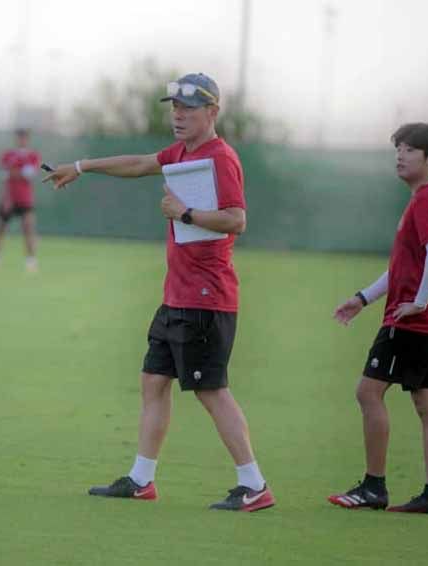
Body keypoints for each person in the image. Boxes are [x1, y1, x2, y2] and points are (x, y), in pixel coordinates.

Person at [43, 73, 274, 512]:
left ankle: (255, 484)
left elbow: (236, 219)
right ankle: (141, 479)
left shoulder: (220, 158)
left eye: (189, 107)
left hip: (207, 297)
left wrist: (184, 212)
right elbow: (140, 164)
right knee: (153, 382)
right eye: (175, 107)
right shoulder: (182, 152)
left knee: (212, 391)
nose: (179, 115)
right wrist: (82, 166)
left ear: (212, 112)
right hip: (177, 297)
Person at [328, 123, 428, 515]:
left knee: (368, 392)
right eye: (397, 149)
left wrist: (419, 301)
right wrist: (363, 298)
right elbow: (405, 267)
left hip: (413, 321)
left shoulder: (426, 201)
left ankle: (373, 487)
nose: (399, 156)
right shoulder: (426, 199)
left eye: (409, 150)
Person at [0, 128, 41, 272]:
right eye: (19, 137)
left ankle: (31, 262)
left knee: (28, 228)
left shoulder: (33, 156)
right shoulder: (7, 155)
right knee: (0, 229)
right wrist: (17, 172)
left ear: (28, 139)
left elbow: (29, 174)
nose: (21, 140)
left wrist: (12, 171)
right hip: (8, 198)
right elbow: (2, 174)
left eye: (24, 138)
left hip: (25, 199)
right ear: (16, 139)